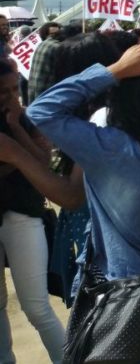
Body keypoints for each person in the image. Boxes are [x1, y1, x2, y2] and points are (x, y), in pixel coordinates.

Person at [26, 41, 140, 363]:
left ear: (120, 100)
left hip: (126, 292)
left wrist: (112, 71)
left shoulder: (107, 150)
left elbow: (42, 110)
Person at [0, 59, 66, 364]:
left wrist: (16, 128)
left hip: (23, 215)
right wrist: (19, 161)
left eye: (15, 89)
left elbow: (42, 164)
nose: (12, 97)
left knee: (37, 307)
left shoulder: (22, 118)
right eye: (3, 92)